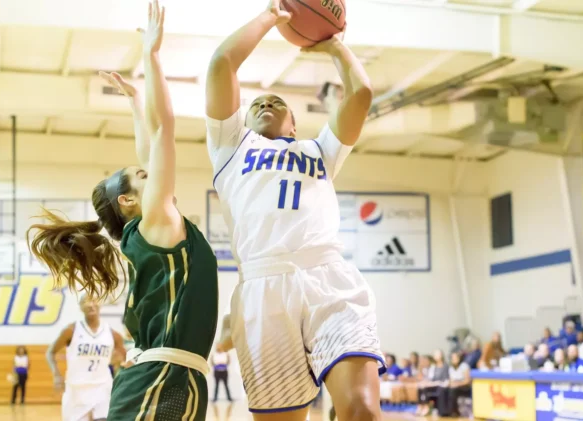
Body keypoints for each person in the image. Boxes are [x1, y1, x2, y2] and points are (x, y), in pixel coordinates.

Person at [27, 2, 218, 418]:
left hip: (165, 375)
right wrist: (150, 57)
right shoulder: (154, 224)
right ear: (129, 201)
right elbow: (164, 128)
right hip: (161, 378)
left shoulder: (152, 229)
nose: (153, 172)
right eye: (142, 175)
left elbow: (150, 142)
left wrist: (134, 103)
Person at [204, 0, 383, 417]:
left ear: (294, 125)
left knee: (361, 409)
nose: (266, 104)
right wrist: (272, 17)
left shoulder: (319, 150)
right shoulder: (232, 147)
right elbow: (222, 64)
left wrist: (335, 45)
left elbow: (362, 93)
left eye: (277, 102)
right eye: (257, 104)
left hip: (327, 280)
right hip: (263, 290)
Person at [47, 294, 124, 421]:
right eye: (85, 301)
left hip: (102, 387)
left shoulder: (112, 334)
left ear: (100, 304)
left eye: (94, 300)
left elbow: (126, 358)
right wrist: (56, 374)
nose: (90, 304)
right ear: (80, 307)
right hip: (76, 389)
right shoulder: (71, 330)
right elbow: (50, 352)